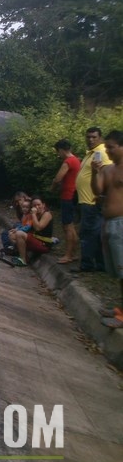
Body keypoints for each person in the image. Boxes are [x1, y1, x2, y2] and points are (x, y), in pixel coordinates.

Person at [90, 129, 123, 328]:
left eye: (111, 148)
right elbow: (97, 190)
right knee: (118, 272)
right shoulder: (108, 169)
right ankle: (120, 309)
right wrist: (95, 172)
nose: (108, 151)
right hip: (109, 223)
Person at [73, 127, 112, 272]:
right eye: (88, 137)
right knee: (94, 234)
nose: (90, 140)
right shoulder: (92, 153)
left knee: (88, 233)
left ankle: (87, 264)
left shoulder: (101, 153)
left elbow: (108, 176)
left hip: (92, 201)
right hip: (86, 200)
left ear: (100, 138)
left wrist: (101, 196)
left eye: (94, 137)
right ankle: (98, 263)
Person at [50, 138, 81, 264]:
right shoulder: (77, 160)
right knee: (71, 226)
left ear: (62, 150)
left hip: (68, 196)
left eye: (58, 152)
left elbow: (58, 178)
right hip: (74, 195)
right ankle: (72, 253)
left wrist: (52, 188)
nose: (58, 155)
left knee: (67, 226)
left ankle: (68, 255)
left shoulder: (68, 161)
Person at [10, 196, 54, 266]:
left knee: (19, 234)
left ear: (43, 205)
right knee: (12, 235)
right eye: (34, 205)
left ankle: (23, 260)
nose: (36, 207)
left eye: (39, 205)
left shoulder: (47, 214)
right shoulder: (34, 214)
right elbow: (26, 226)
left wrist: (33, 214)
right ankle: (25, 255)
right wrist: (17, 229)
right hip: (34, 238)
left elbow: (38, 228)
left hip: (43, 243)